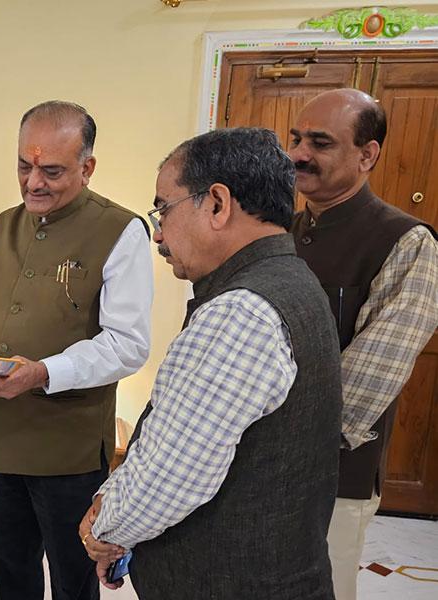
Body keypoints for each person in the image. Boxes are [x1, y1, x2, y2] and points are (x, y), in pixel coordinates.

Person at [80, 128, 343, 599]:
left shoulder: (240, 310)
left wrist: (104, 525)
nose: (158, 232)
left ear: (218, 204)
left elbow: (170, 476)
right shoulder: (291, 280)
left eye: (163, 208)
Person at [0, 100, 153, 599]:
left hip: (69, 446)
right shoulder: (2, 225)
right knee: (8, 563)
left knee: (72, 573)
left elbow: (128, 345)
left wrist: (42, 373)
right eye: (24, 165)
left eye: (52, 170)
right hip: (3, 435)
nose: (33, 182)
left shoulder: (121, 230)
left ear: (87, 168)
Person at [287, 88, 438, 600]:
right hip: (250, 466)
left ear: (367, 154)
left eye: (320, 143)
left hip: (331, 475)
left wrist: (276, 445)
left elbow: (370, 378)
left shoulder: (407, 241)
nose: (299, 154)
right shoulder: (280, 231)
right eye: (296, 138)